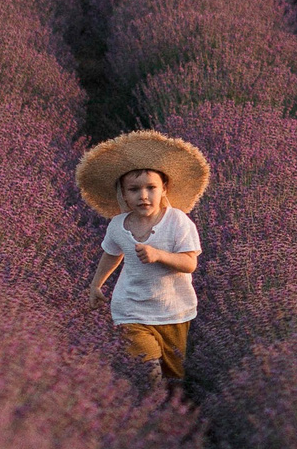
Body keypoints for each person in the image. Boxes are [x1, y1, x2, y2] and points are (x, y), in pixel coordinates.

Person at [76, 129, 209, 390]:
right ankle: (152, 409)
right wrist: (96, 285)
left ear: (164, 189)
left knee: (175, 378)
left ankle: (172, 418)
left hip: (173, 310)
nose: (143, 196)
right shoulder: (118, 225)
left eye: (151, 188)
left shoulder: (178, 221)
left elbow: (190, 263)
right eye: (134, 190)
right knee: (149, 371)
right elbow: (111, 254)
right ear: (123, 194)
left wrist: (159, 255)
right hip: (131, 309)